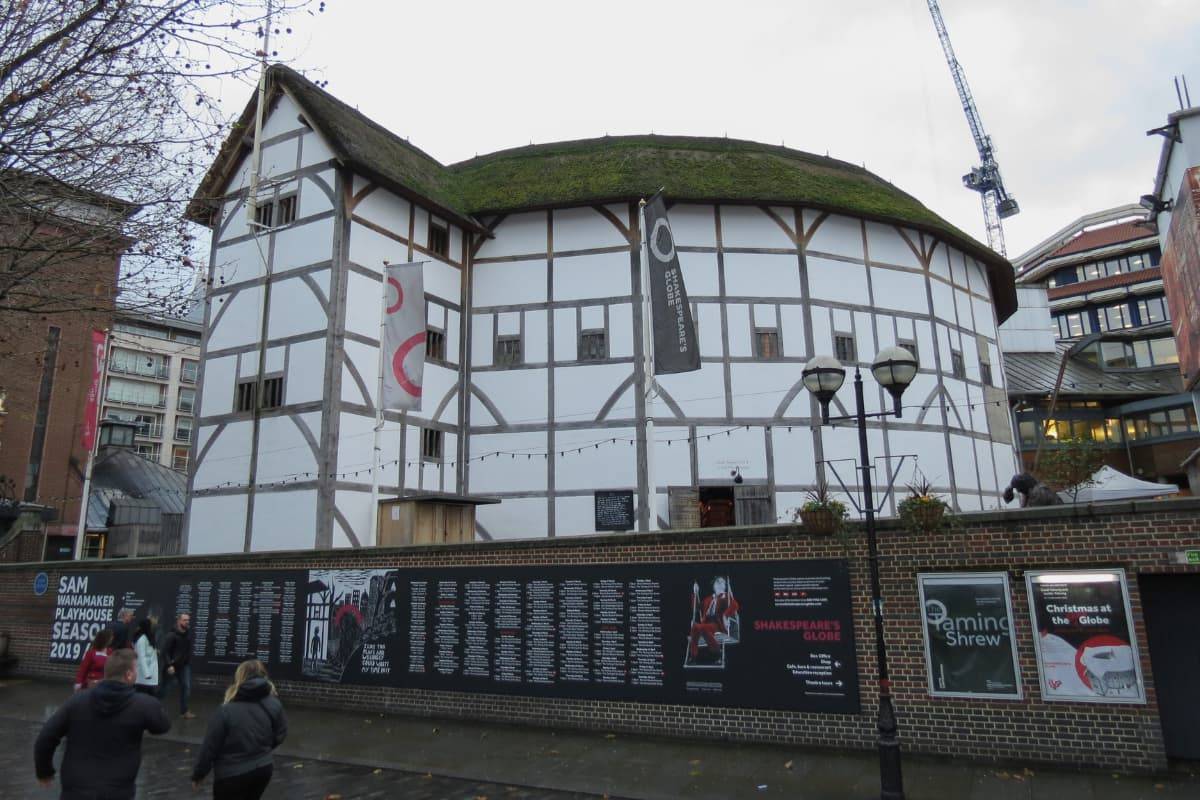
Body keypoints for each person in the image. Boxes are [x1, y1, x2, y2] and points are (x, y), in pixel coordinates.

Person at [35, 649, 171, 799]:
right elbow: (162, 726)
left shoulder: (76, 702)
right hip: (117, 791)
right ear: (129, 675)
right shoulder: (143, 705)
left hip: (76, 789)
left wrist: (44, 771)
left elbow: (46, 737)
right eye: (136, 669)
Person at [191, 659, 287, 799]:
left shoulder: (225, 711)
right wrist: (263, 748)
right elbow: (281, 733)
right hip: (263, 769)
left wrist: (198, 775)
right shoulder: (274, 704)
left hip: (230, 775)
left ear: (240, 677)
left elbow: (210, 747)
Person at [160, 612, 196, 719]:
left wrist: (187, 661)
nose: (187, 622)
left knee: (186, 687)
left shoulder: (188, 634)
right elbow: (164, 652)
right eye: (185, 620)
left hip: (184, 666)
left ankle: (184, 711)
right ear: (179, 621)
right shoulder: (171, 635)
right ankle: (155, 707)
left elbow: (187, 650)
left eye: (188, 620)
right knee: (165, 689)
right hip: (172, 667)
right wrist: (169, 665)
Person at [133, 618, 159, 696]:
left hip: (149, 675)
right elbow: (141, 657)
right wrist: (146, 674)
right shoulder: (141, 639)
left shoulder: (147, 638)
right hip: (144, 676)